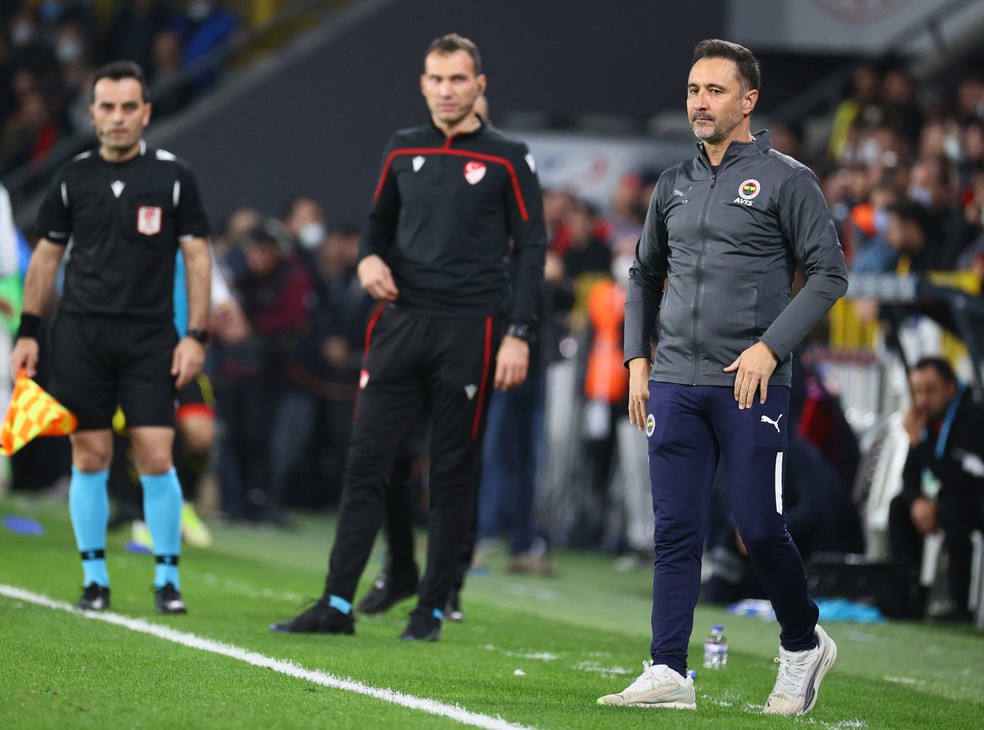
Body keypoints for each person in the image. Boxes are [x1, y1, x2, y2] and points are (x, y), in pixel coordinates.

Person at [598, 40, 847, 714]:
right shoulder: (672, 183)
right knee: (675, 531)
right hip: (675, 377)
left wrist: (772, 348)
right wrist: (637, 361)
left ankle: (802, 642)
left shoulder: (788, 178)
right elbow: (644, 274)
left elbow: (829, 274)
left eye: (713, 90)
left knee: (759, 527)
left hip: (752, 381)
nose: (699, 103)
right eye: (692, 90)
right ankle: (669, 669)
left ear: (748, 100)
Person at [270, 33, 546, 641]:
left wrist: (519, 334)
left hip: (471, 330)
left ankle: (431, 607)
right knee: (367, 461)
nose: (446, 91)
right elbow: (375, 227)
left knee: (449, 473)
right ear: (423, 84)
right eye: (436, 79)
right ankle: (336, 605)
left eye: (457, 79)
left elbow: (531, 249)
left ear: (480, 85)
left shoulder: (508, 155)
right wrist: (368, 261)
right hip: (399, 323)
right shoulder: (402, 148)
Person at [10, 60, 211, 614]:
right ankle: (94, 580)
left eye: (129, 107)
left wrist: (196, 333)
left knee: (154, 453)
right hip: (80, 333)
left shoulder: (174, 177)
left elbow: (197, 256)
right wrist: (29, 330)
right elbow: (46, 257)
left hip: (150, 336)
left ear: (146, 112)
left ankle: (167, 579)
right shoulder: (72, 177)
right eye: (107, 107)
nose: (118, 118)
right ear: (92, 112)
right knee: (91, 453)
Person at [888, 357, 984, 622]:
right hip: (941, 500)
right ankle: (904, 597)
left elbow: (960, 479)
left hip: (972, 500)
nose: (922, 400)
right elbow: (909, 474)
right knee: (900, 506)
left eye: (930, 390)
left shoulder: (973, 416)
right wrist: (917, 502)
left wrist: (920, 443)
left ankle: (960, 605)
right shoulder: (926, 420)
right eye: (917, 391)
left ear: (951, 387)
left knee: (954, 511)